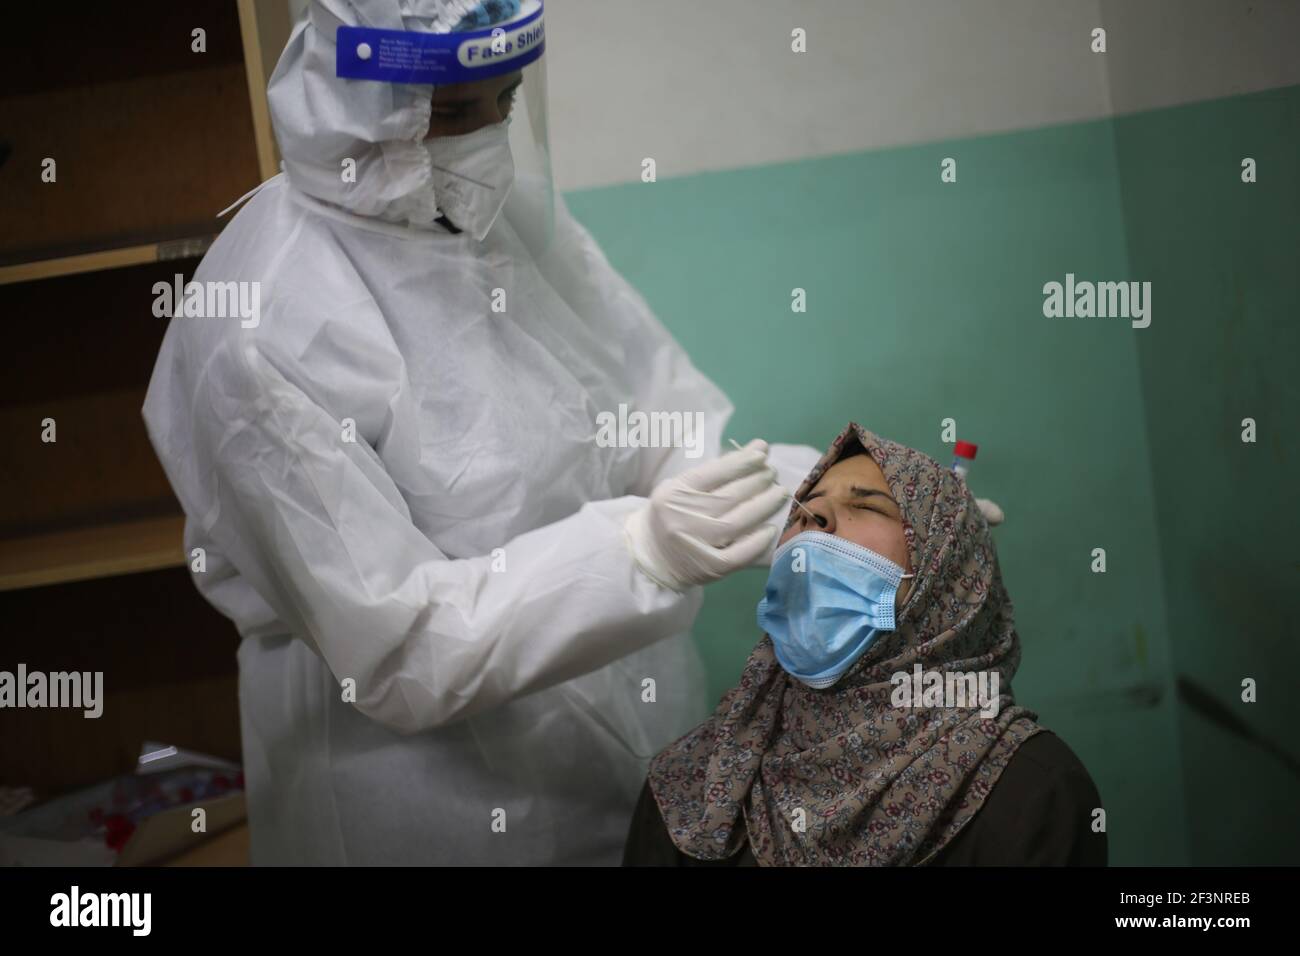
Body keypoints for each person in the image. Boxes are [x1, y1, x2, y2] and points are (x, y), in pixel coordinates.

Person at [142, 0, 822, 865]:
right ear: (356, 101)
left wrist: (812, 500)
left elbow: (656, 418)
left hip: (639, 748)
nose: (485, 142)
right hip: (432, 804)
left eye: (503, 103)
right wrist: (638, 554)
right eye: (454, 112)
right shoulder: (260, 325)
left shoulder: (503, 218)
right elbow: (398, 649)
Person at [623, 422, 1107, 866]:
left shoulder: (1030, 789)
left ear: (943, 569)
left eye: (867, 505)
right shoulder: (693, 785)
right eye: (802, 510)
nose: (815, 518)